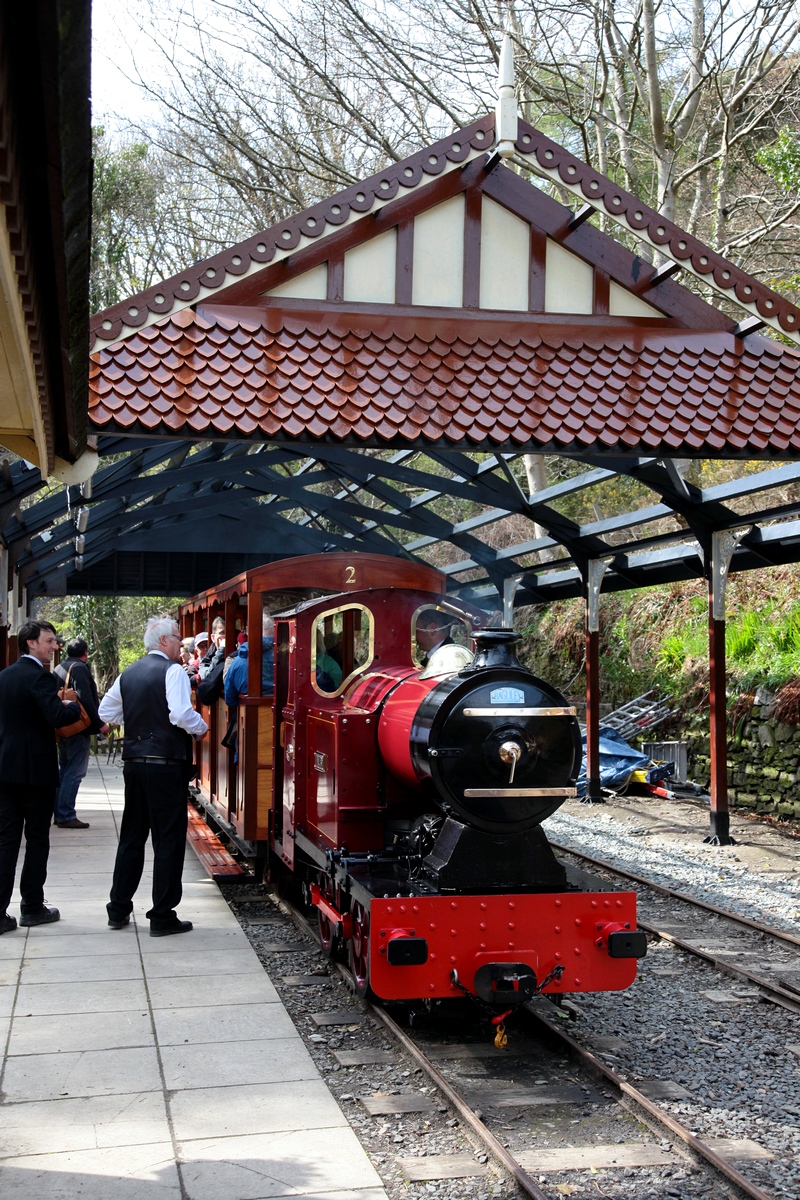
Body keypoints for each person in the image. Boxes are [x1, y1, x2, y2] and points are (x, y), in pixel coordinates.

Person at [99, 616, 208, 937]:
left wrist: (138, 718)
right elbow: (180, 713)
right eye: (177, 638)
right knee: (168, 839)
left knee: (132, 836)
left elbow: (106, 713)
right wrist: (201, 728)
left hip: (135, 763)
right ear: (163, 641)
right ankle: (162, 915)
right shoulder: (172, 672)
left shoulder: (128, 673)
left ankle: (118, 908)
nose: (181, 644)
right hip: (166, 765)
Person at [0, 620, 82, 934]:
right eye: (49, 641)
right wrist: (71, 706)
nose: (54, 646)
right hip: (35, 772)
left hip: (5, 768)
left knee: (6, 841)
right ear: (31, 643)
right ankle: (32, 907)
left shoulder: (4, 676)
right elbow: (56, 716)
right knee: (36, 839)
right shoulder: (40, 677)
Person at [53, 637, 108, 829]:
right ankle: (66, 814)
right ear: (85, 653)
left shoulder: (58, 668)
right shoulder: (79, 668)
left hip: (63, 726)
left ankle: (59, 812)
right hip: (78, 727)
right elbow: (86, 699)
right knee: (75, 771)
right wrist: (100, 724)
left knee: (65, 769)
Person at [224, 617, 275, 705]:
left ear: (248, 630)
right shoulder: (289, 657)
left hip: (247, 712)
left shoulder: (238, 662)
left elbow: (229, 698)